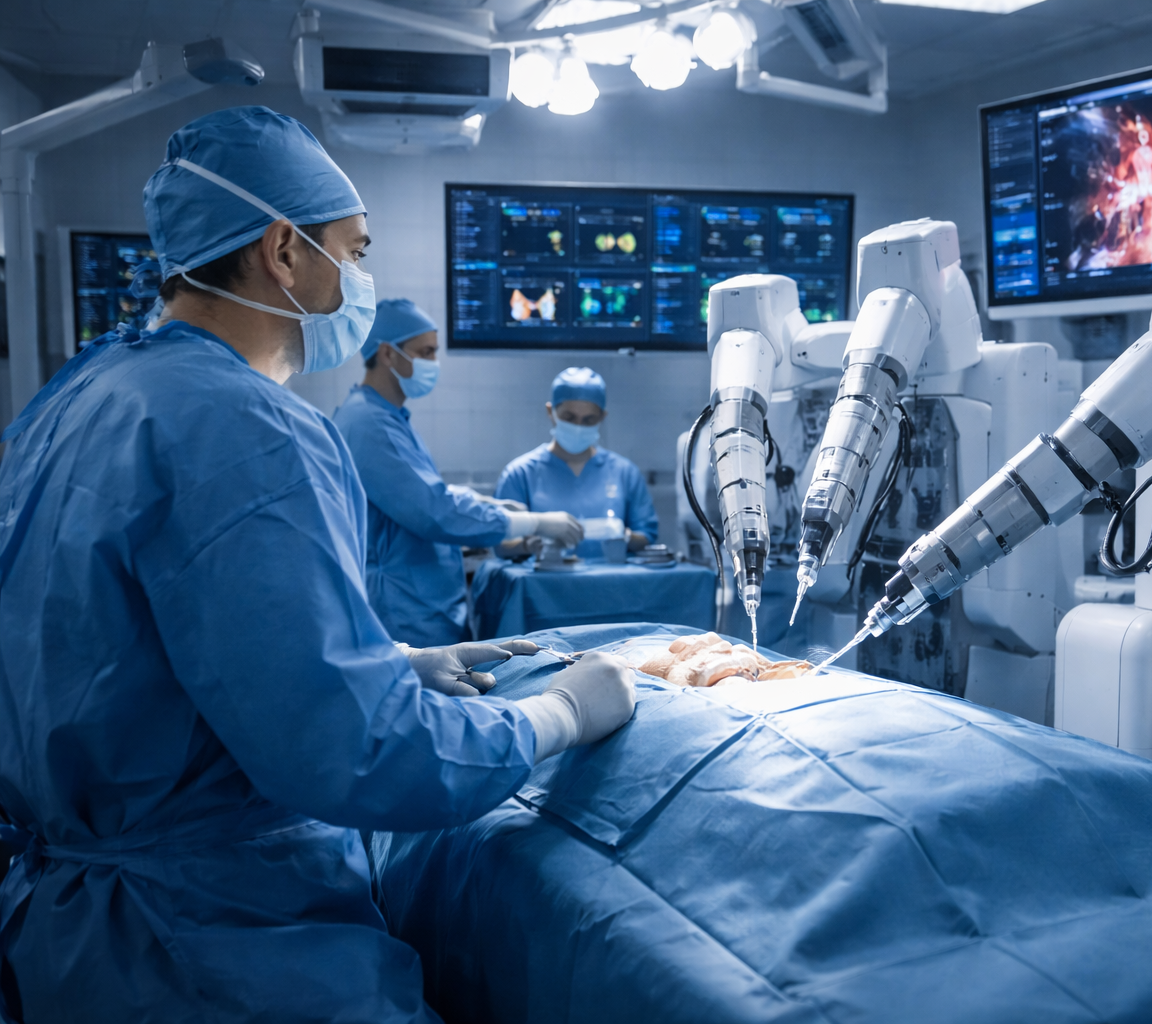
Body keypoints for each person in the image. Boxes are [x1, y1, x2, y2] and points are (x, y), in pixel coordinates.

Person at [0, 105, 634, 1023]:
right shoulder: (246, 425)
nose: (363, 276)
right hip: (208, 945)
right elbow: (360, 754)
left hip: (72, 931)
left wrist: (386, 666)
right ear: (285, 251)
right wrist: (555, 716)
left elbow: (119, 655)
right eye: (357, 248)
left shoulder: (83, 394)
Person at [333, 298, 582, 647]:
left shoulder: (388, 417)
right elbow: (433, 511)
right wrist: (534, 523)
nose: (434, 362)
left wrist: (479, 503)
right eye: (426, 352)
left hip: (419, 604)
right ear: (388, 354)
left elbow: (417, 493)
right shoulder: (369, 424)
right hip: (403, 612)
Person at [496, 367, 659, 560]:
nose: (578, 427)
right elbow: (500, 542)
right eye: (569, 418)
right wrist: (529, 545)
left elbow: (647, 536)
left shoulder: (624, 473)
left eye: (589, 419)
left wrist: (622, 535)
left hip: (611, 586)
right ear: (551, 412)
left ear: (602, 418)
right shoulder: (521, 474)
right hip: (543, 587)